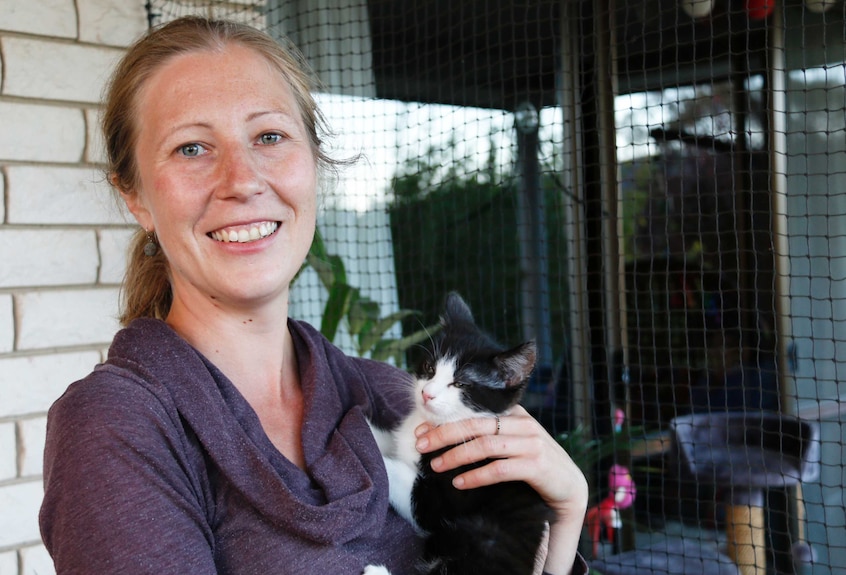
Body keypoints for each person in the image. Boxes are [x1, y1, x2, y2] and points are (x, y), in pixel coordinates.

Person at [38, 16, 588, 575]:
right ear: (135, 197)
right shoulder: (118, 427)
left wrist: (564, 517)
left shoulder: (383, 394)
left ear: (314, 162)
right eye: (191, 148)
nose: (243, 179)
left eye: (270, 137)